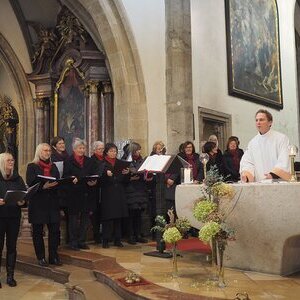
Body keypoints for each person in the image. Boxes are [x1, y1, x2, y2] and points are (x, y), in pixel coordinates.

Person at [26, 143, 62, 267]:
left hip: (52, 203)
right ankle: (40, 257)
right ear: (39, 152)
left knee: (55, 231)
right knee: (37, 232)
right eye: (45, 150)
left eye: (49, 151)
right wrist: (43, 186)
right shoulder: (32, 167)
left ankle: (53, 256)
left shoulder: (53, 167)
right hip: (38, 204)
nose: (48, 153)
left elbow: (58, 181)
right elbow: (30, 184)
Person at [63, 138, 98, 251]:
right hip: (73, 193)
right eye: (80, 148)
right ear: (74, 149)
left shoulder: (89, 161)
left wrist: (93, 181)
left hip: (86, 192)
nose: (82, 150)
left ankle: (82, 240)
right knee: (73, 219)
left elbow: (94, 174)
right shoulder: (68, 160)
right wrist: (71, 178)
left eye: (83, 148)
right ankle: (73, 241)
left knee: (85, 219)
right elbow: (65, 175)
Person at [240, 109, 290, 182]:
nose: (258, 122)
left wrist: (273, 174)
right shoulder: (252, 143)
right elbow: (247, 162)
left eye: (261, 120)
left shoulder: (281, 138)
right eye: (256, 120)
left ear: (270, 122)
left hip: (277, 182)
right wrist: (246, 175)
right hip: (259, 184)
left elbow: (284, 159)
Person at [0, 153, 26, 287]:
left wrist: (22, 202)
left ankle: (10, 276)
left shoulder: (18, 178)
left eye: (12, 160)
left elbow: (24, 195)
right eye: (8, 160)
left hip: (14, 217)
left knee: (11, 247)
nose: (12, 162)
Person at [100, 143, 130, 248]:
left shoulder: (120, 163)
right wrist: (105, 174)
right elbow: (99, 179)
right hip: (108, 192)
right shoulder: (102, 163)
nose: (114, 153)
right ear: (107, 152)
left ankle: (118, 239)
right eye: (111, 151)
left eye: (115, 151)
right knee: (107, 217)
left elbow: (126, 181)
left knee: (118, 217)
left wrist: (127, 174)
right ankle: (105, 240)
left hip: (119, 192)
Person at [125, 142, 149, 245]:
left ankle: (138, 234)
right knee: (131, 214)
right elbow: (128, 172)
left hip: (140, 189)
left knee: (139, 213)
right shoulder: (126, 160)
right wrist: (131, 176)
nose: (139, 151)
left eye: (140, 149)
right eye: (138, 150)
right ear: (132, 151)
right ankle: (130, 235)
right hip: (131, 190)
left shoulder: (142, 160)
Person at [90, 141, 105, 244]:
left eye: (103, 149)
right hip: (94, 190)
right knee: (95, 214)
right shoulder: (91, 160)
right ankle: (96, 235)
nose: (102, 151)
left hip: (104, 189)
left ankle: (103, 234)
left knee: (103, 212)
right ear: (94, 150)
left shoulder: (105, 160)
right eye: (99, 149)